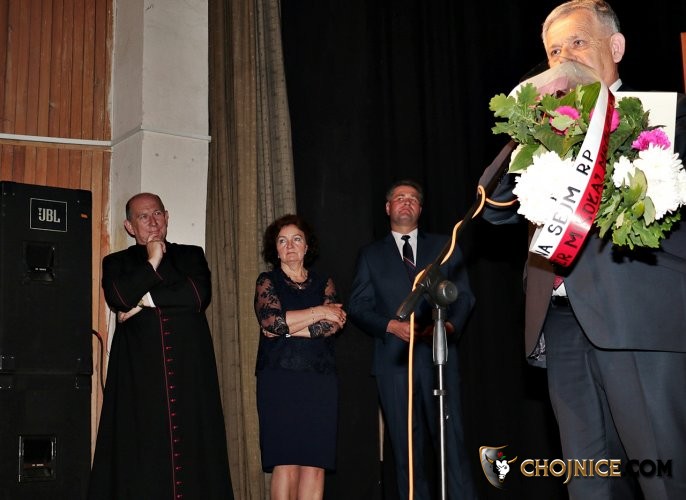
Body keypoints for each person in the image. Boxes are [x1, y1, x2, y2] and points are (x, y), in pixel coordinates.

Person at [480, 1, 686, 499]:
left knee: (663, 479)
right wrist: (528, 123)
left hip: (637, 320)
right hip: (562, 325)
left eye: (577, 42)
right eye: (554, 51)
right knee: (589, 485)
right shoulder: (545, 129)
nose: (565, 57)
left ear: (615, 47)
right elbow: (493, 207)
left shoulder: (666, 114)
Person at [88, 193, 234, 499]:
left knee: (196, 447)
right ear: (129, 226)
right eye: (143, 217)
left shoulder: (190, 255)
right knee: (141, 451)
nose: (153, 222)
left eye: (157, 214)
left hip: (189, 371)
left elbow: (197, 296)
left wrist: (143, 299)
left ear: (167, 217)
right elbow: (118, 297)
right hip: (139, 376)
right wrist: (153, 260)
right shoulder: (116, 262)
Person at [348, 180, 477, 500]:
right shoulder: (370, 254)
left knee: (451, 442)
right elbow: (358, 306)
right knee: (406, 450)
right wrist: (390, 326)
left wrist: (448, 328)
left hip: (438, 360)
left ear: (420, 209)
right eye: (399, 198)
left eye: (413, 199)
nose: (406, 202)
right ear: (387, 207)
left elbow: (464, 297)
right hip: (393, 364)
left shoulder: (445, 246)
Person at [253, 214, 346, 500]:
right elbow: (272, 322)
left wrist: (287, 329)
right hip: (279, 380)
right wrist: (319, 311)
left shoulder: (324, 282)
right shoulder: (267, 281)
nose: (290, 246)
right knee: (286, 463)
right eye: (282, 241)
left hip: (320, 380)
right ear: (276, 249)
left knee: (315, 465)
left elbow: (332, 325)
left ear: (307, 246)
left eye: (296, 239)